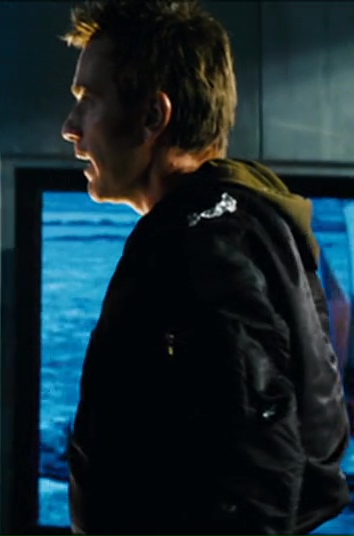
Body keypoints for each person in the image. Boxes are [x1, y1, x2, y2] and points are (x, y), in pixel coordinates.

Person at [59, 0, 351, 533]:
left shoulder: (198, 247)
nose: (70, 128)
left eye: (89, 101)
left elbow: (257, 468)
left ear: (154, 117)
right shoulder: (246, 221)